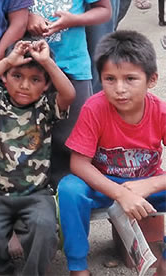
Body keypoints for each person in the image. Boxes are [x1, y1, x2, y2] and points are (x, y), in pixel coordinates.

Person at [57, 30, 165, 276]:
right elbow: (79, 163)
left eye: (130, 79)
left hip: (145, 183)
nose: (119, 89)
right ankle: (77, 266)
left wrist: (149, 185)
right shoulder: (94, 108)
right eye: (110, 79)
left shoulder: (161, 111)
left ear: (152, 80)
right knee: (69, 188)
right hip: (103, 184)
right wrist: (119, 193)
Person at [21, 0, 111, 179]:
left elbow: (104, 11)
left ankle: (65, 196)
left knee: (70, 137)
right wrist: (27, 17)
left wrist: (73, 20)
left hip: (72, 66)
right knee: (29, 134)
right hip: (26, 68)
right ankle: (35, 197)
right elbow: (4, 11)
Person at [0, 40, 75, 276]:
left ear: (46, 85)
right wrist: (8, 61)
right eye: (17, 76)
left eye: (35, 79)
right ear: (5, 79)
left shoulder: (46, 106)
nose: (24, 85)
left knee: (46, 229)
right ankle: (1, 270)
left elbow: (68, 94)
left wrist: (47, 62)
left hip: (36, 194)